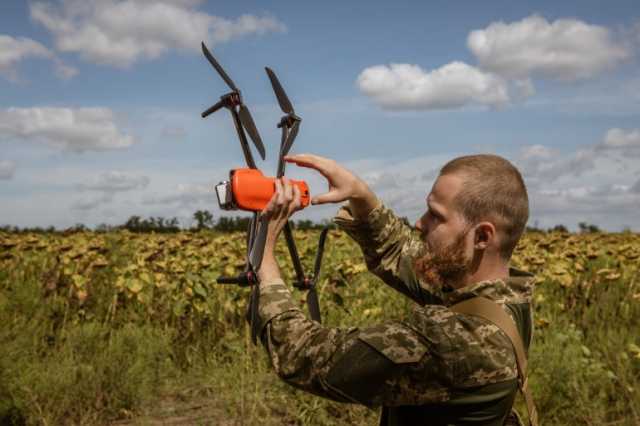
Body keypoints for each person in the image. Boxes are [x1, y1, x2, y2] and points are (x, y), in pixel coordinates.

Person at [253, 153, 535, 426]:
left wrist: (264, 258)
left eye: (436, 216)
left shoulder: (456, 342)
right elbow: (405, 256)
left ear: (483, 236)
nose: (419, 223)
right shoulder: (505, 301)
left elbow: (302, 353)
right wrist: (362, 196)